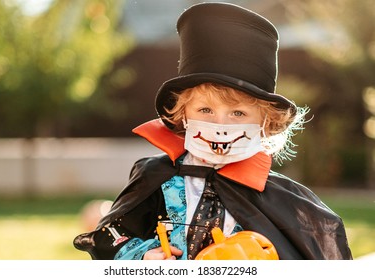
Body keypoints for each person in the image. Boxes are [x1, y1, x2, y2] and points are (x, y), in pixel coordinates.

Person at [73, 2, 352, 260]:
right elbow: (110, 235)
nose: (220, 125)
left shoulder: (287, 200)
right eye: (205, 111)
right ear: (182, 115)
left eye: (238, 113)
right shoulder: (156, 178)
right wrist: (143, 255)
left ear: (265, 123)